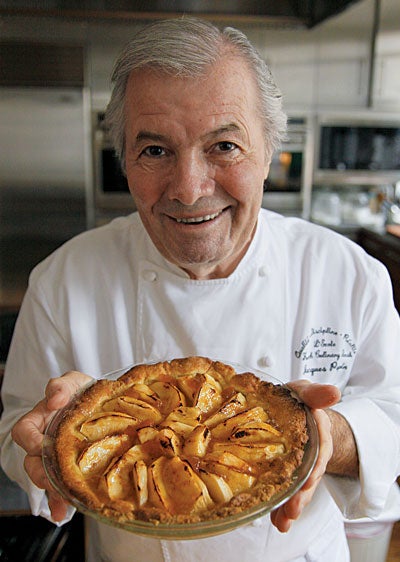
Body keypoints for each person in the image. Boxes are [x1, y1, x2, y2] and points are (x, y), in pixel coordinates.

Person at [1, 17, 399, 562]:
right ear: (124, 161)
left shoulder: (351, 275)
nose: (190, 190)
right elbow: (15, 427)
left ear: (268, 154)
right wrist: (46, 442)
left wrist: (332, 434)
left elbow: (393, 418)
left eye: (225, 145)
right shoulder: (62, 280)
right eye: (156, 151)